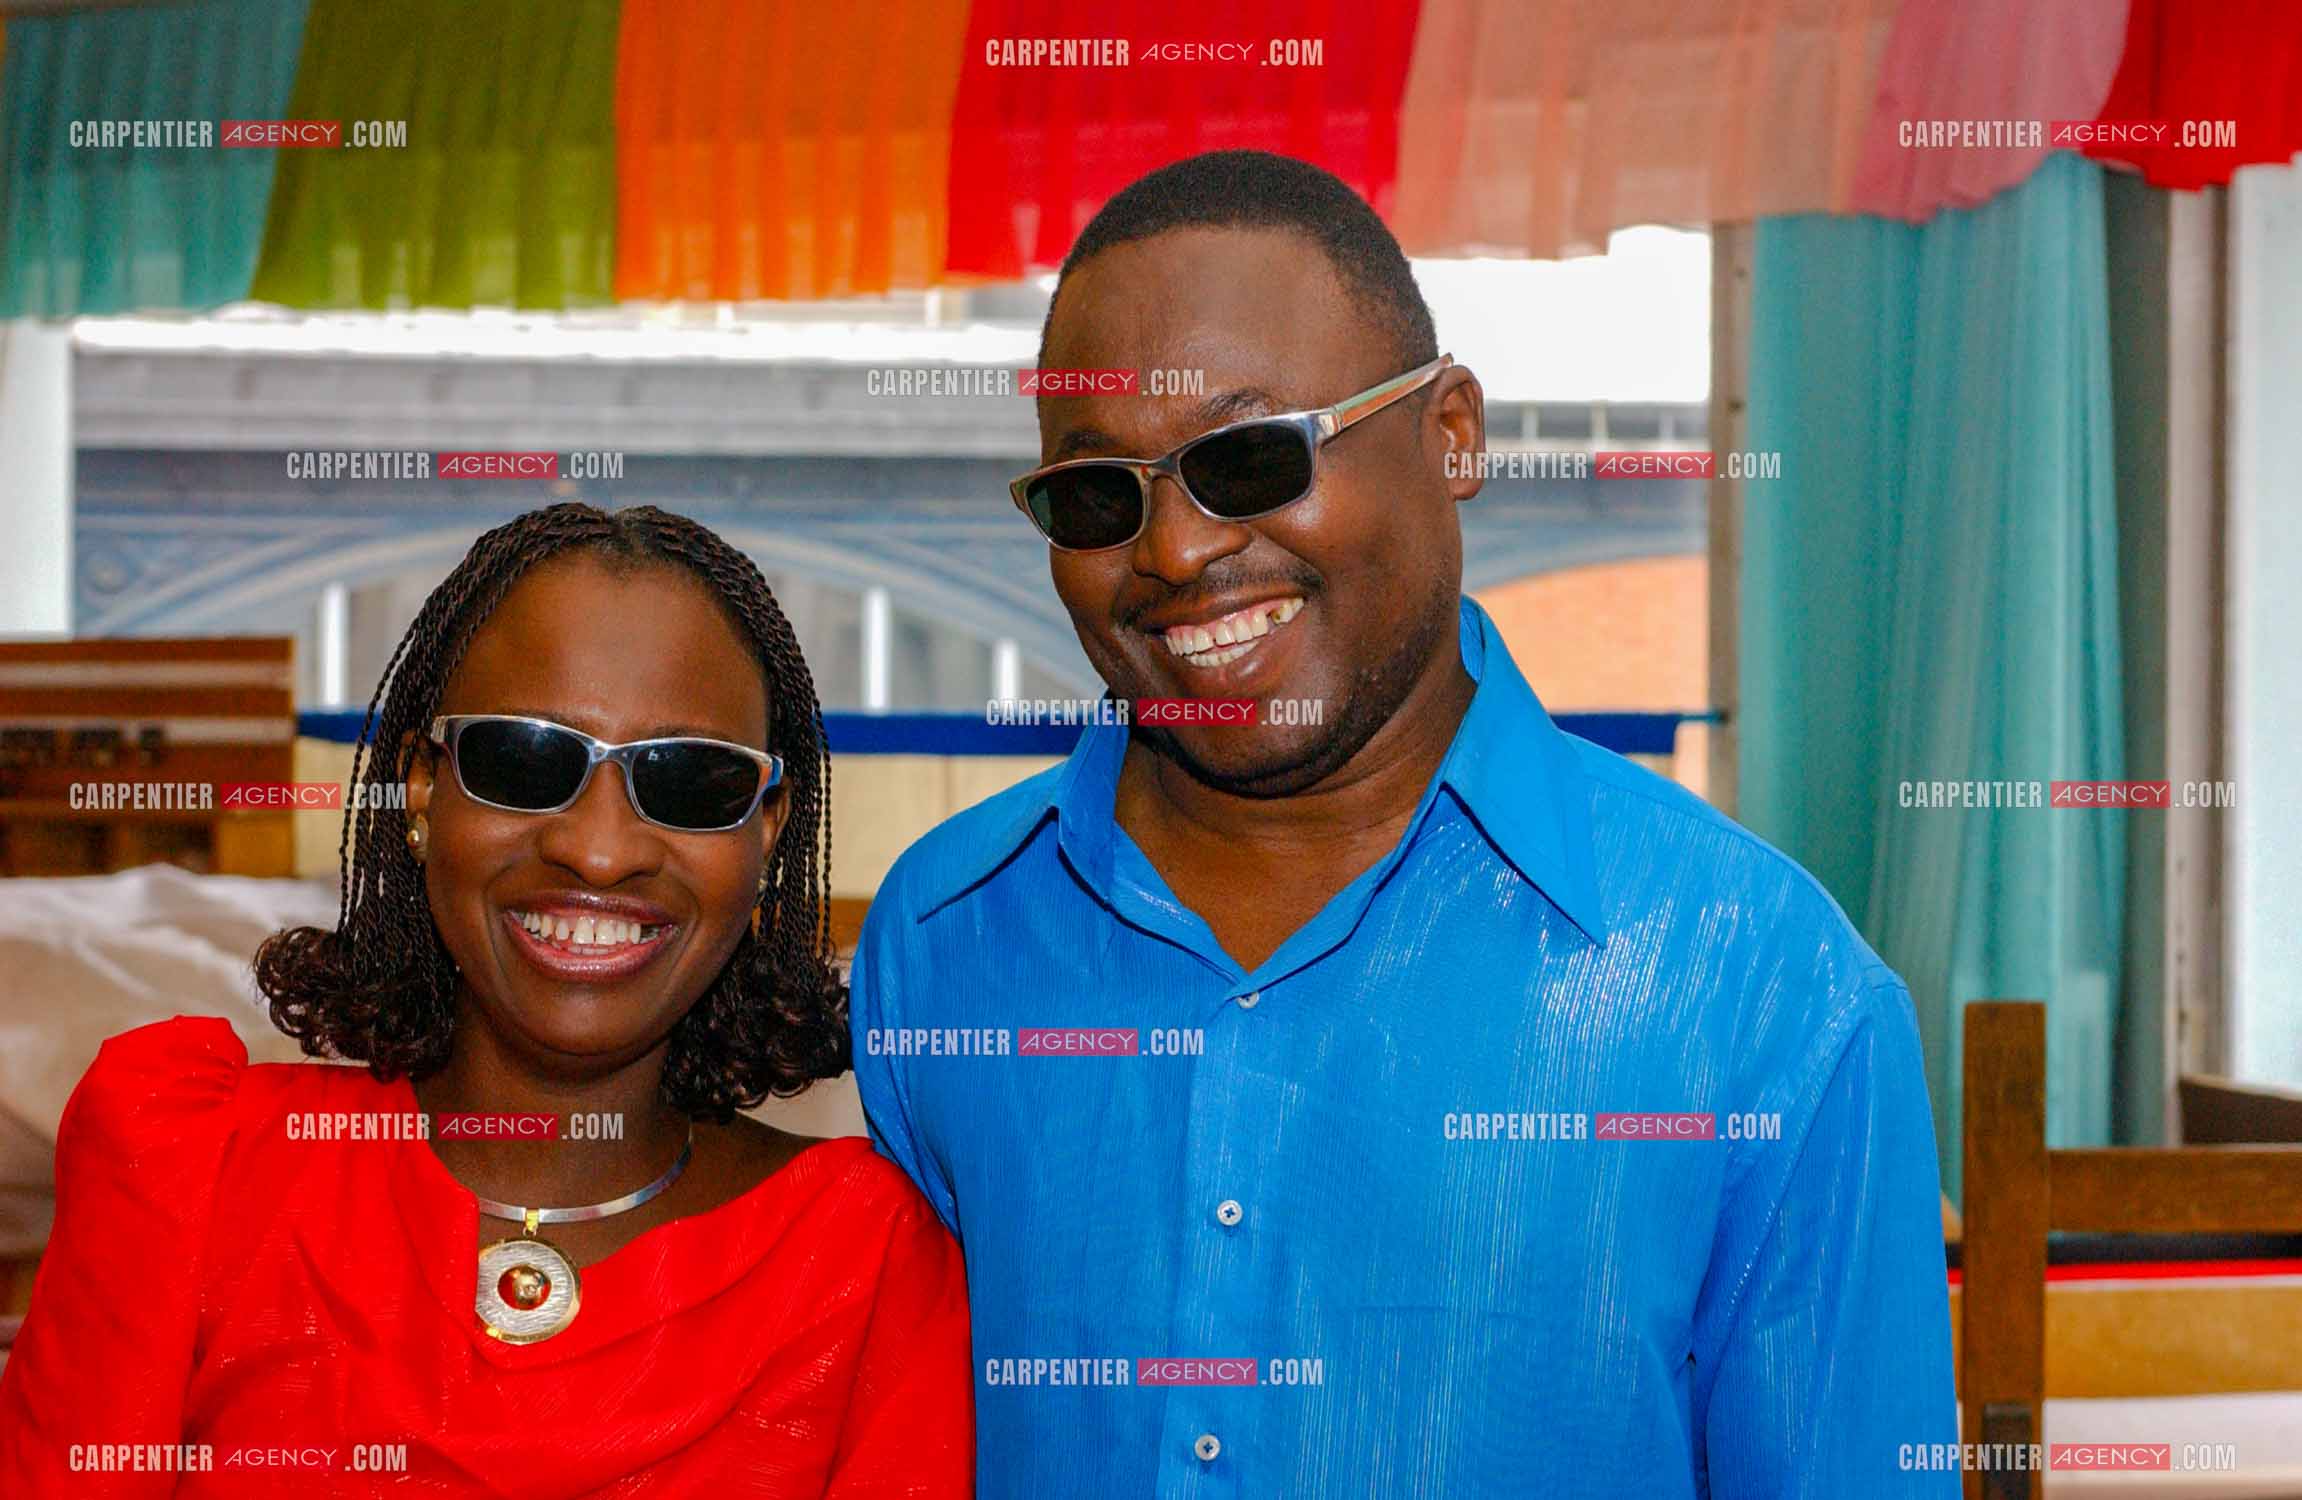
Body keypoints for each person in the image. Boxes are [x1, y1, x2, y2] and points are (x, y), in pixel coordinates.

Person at [849, 150, 1956, 1497]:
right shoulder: (941, 940)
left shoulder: (1766, 988)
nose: (1178, 552)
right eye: (1098, 495)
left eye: (1250, 459)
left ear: (1451, 434)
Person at [0, 504, 971, 1496]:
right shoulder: (189, 1171)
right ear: (423, 791)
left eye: (688, 781)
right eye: (524, 763)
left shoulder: (875, 1264)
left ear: (765, 829)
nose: (597, 849)